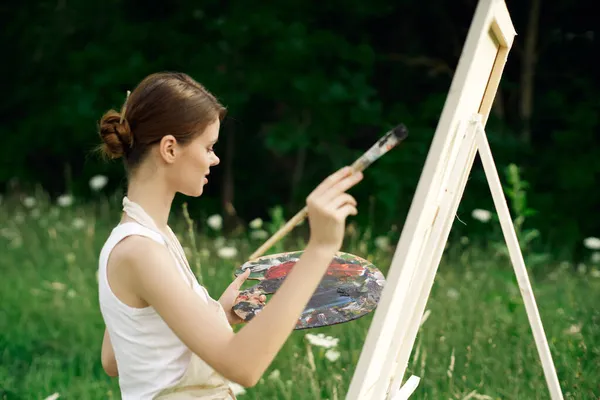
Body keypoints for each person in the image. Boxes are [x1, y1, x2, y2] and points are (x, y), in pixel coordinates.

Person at [97, 71, 363, 399]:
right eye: (208, 147)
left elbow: (117, 357)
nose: (215, 158)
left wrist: (215, 315)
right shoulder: (140, 251)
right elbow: (243, 367)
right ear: (169, 149)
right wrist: (320, 248)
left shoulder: (147, 238)